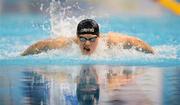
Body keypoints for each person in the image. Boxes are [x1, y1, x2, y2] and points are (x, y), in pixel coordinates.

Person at [21, 19, 154, 56]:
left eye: (92, 39)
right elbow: (43, 45)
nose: (87, 44)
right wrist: (22, 56)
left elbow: (134, 42)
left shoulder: (111, 42)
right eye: (83, 39)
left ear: (99, 37)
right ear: (77, 38)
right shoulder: (66, 43)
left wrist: (154, 54)